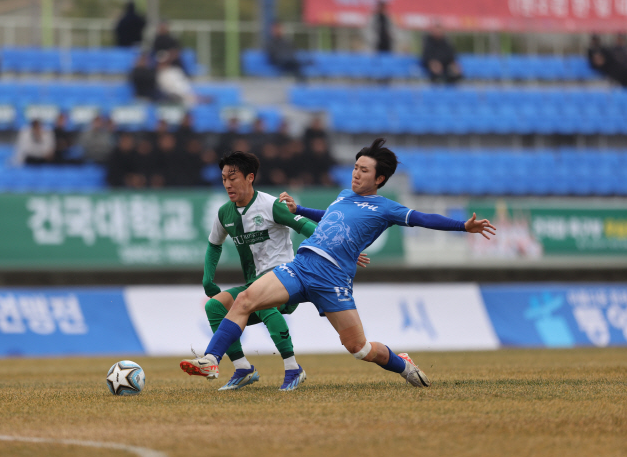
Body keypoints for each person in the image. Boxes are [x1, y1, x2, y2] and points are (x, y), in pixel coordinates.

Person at [180, 138, 496, 389]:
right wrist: (300, 208)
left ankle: (403, 364)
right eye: (356, 167)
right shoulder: (344, 196)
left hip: (334, 282)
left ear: (380, 178)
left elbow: (423, 218)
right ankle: (212, 359)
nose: (356, 173)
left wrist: (461, 226)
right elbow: (329, 218)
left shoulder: (386, 208)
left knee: (359, 348)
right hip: (302, 267)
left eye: (364, 170)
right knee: (247, 298)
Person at [181, 150, 370, 391]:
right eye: (224, 179)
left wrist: (345, 249)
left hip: (286, 279)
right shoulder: (224, 213)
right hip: (254, 284)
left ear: (250, 177)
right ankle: (242, 368)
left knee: (263, 301)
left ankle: (293, 368)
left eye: (233, 177)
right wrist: (208, 277)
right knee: (214, 306)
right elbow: (214, 244)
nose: (227, 184)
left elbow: (307, 227)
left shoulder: (271, 205)